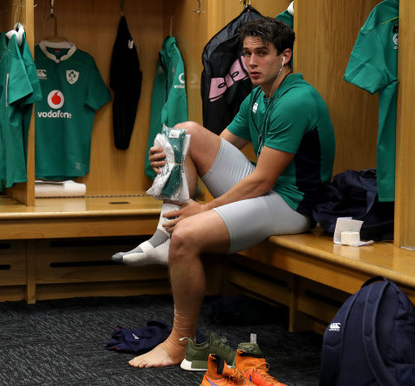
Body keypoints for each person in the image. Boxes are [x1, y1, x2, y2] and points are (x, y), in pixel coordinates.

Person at [114, 16, 336, 368]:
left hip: (293, 205)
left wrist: (204, 210)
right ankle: (164, 236)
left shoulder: (296, 100)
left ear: (285, 56)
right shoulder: (257, 97)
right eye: (247, 53)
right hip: (266, 192)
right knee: (185, 134)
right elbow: (214, 147)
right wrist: (171, 154)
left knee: (187, 233)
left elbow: (263, 181)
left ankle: (178, 342)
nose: (251, 62)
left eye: (262, 53)